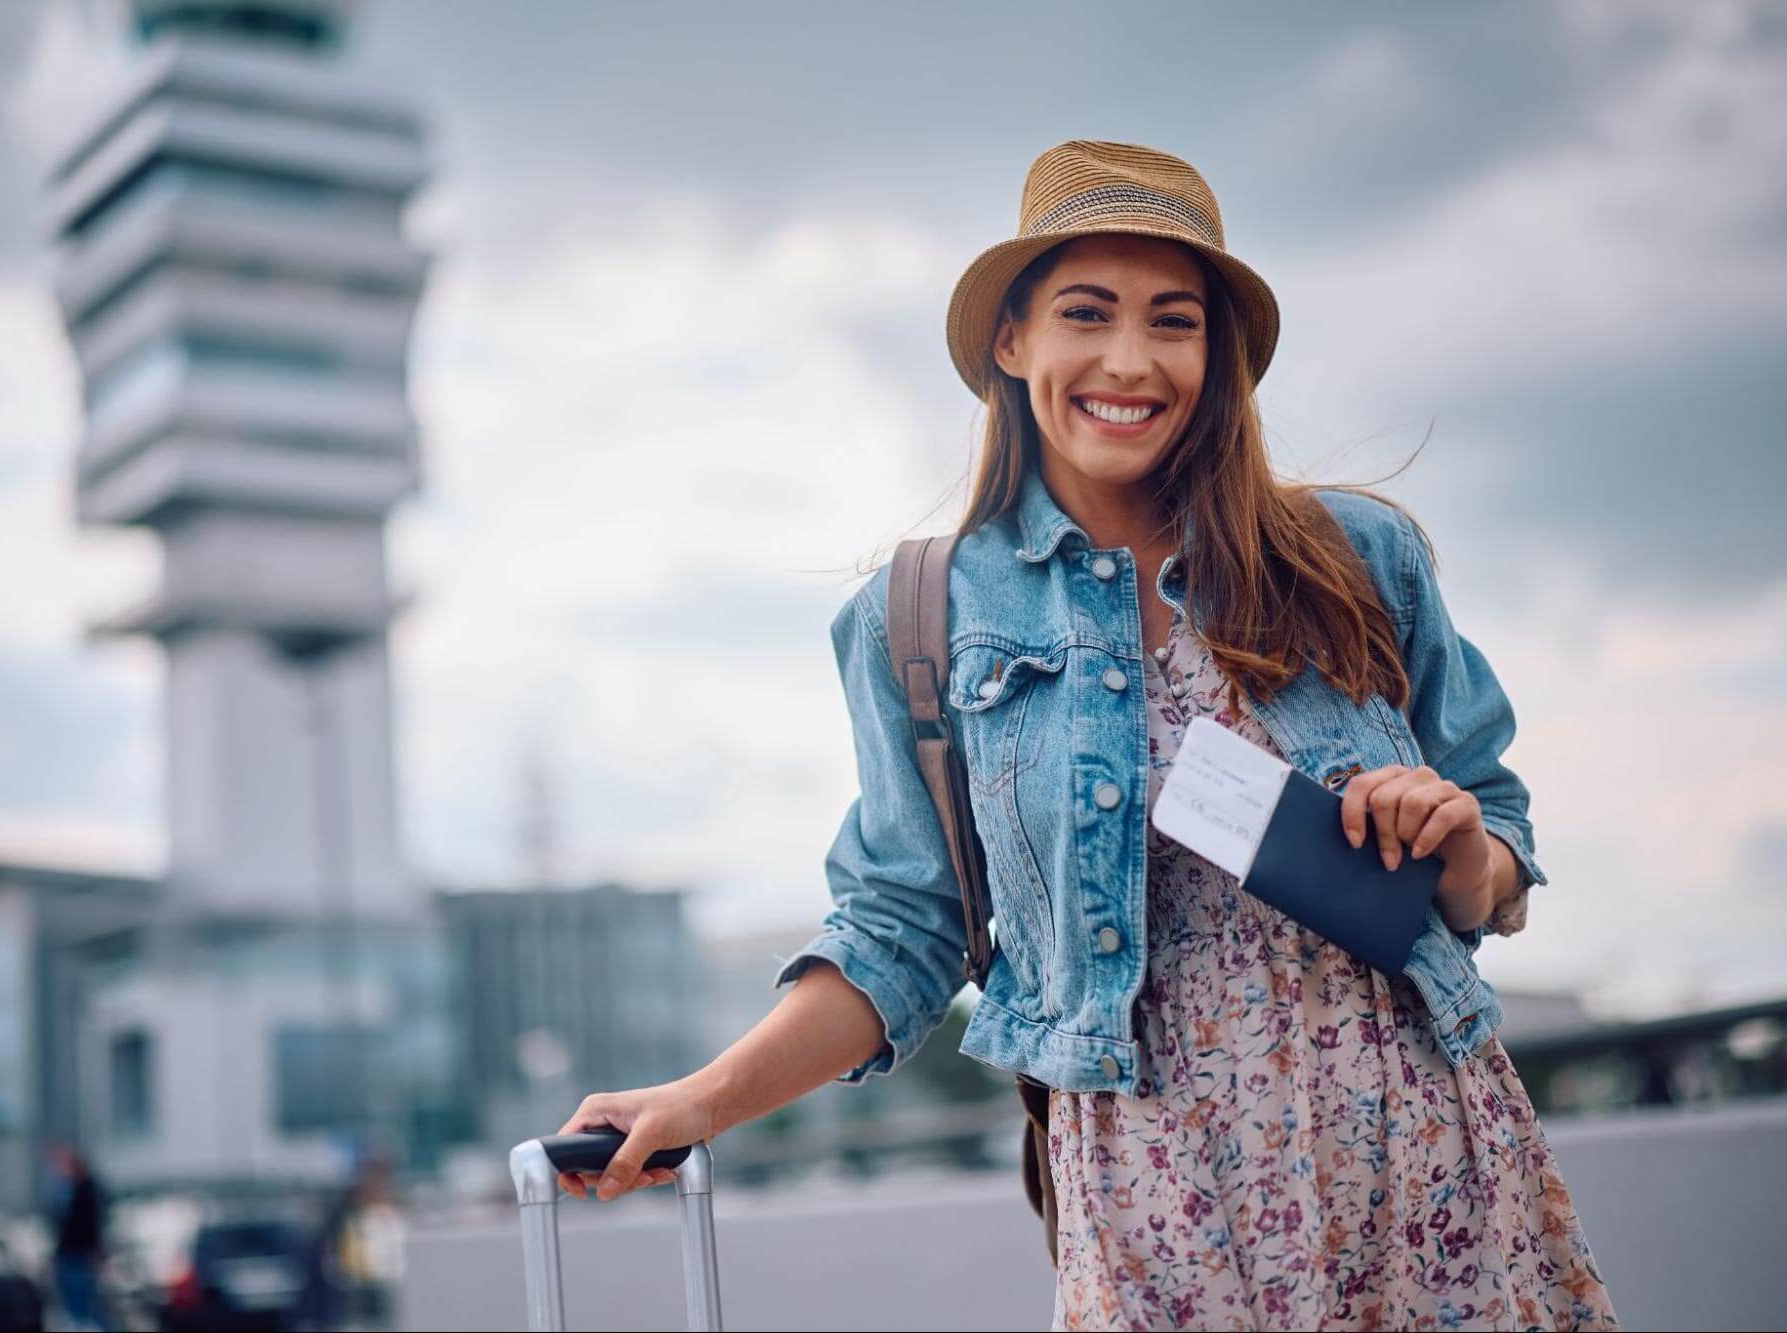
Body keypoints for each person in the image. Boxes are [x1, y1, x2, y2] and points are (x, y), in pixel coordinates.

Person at [553, 140, 1619, 1330]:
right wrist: (699, 1102)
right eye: (1085, 312)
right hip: (1157, 1196)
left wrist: (1463, 848)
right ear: (1011, 341)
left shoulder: (1360, 561)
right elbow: (903, 930)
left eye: (1173, 320)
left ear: (1215, 357)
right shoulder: (919, 620)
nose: (1129, 359)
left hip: (1421, 1162)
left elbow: (1495, 841)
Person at [48, 1143, 112, 1332]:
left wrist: (95, 1250)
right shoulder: (72, 1189)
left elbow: (90, 1224)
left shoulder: (85, 1189)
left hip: (79, 1254)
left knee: (82, 1304)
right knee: (77, 1304)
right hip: (73, 1253)